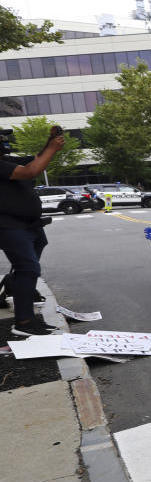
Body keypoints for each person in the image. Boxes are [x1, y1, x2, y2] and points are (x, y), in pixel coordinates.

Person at [0, 125, 65, 336]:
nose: (4, 140)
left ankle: (16, 287)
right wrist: (53, 148)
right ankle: (24, 323)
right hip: (9, 226)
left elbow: (35, 159)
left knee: (26, 270)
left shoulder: (7, 161)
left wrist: (50, 141)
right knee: (28, 269)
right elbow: (31, 171)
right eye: (1, 137)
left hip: (29, 225)